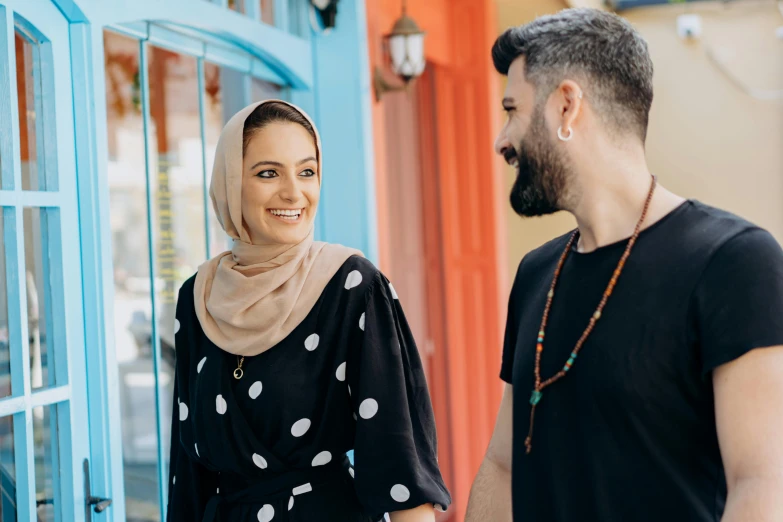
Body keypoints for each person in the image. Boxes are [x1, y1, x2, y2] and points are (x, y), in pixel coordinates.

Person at [465, 8, 783, 522]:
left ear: (567, 106)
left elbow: (763, 488)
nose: (502, 140)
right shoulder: (534, 275)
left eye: (512, 110)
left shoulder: (734, 263)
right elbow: (503, 465)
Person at [166, 100, 451, 522]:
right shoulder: (197, 298)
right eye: (268, 173)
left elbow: (399, 466)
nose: (293, 192)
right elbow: (188, 475)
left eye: (306, 172)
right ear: (229, 184)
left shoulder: (352, 286)